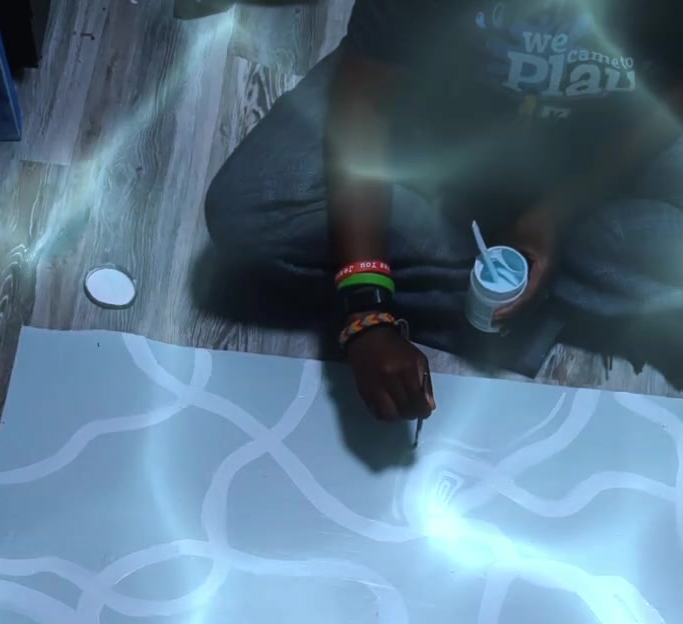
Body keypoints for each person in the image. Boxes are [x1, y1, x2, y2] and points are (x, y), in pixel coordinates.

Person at [205, 0, 683, 422]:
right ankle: (551, 297)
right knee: (253, 206)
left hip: (602, 134)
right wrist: (367, 309)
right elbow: (365, 107)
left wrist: (555, 213)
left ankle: (500, 292)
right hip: (436, 115)